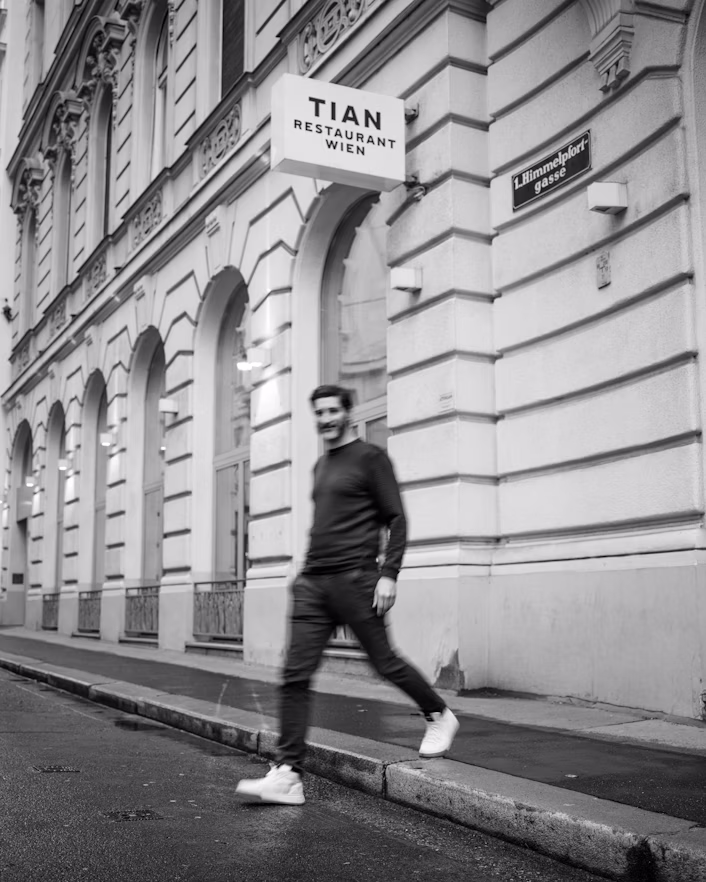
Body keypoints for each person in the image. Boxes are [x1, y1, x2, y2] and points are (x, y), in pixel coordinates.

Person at [236, 384, 459, 805]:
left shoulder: (371, 458)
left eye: (333, 411)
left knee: (384, 662)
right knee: (295, 675)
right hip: (313, 583)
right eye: (319, 412)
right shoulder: (320, 466)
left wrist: (388, 573)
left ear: (347, 413)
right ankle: (287, 774)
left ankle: (438, 714)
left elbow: (396, 518)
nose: (325, 419)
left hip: (357, 579)